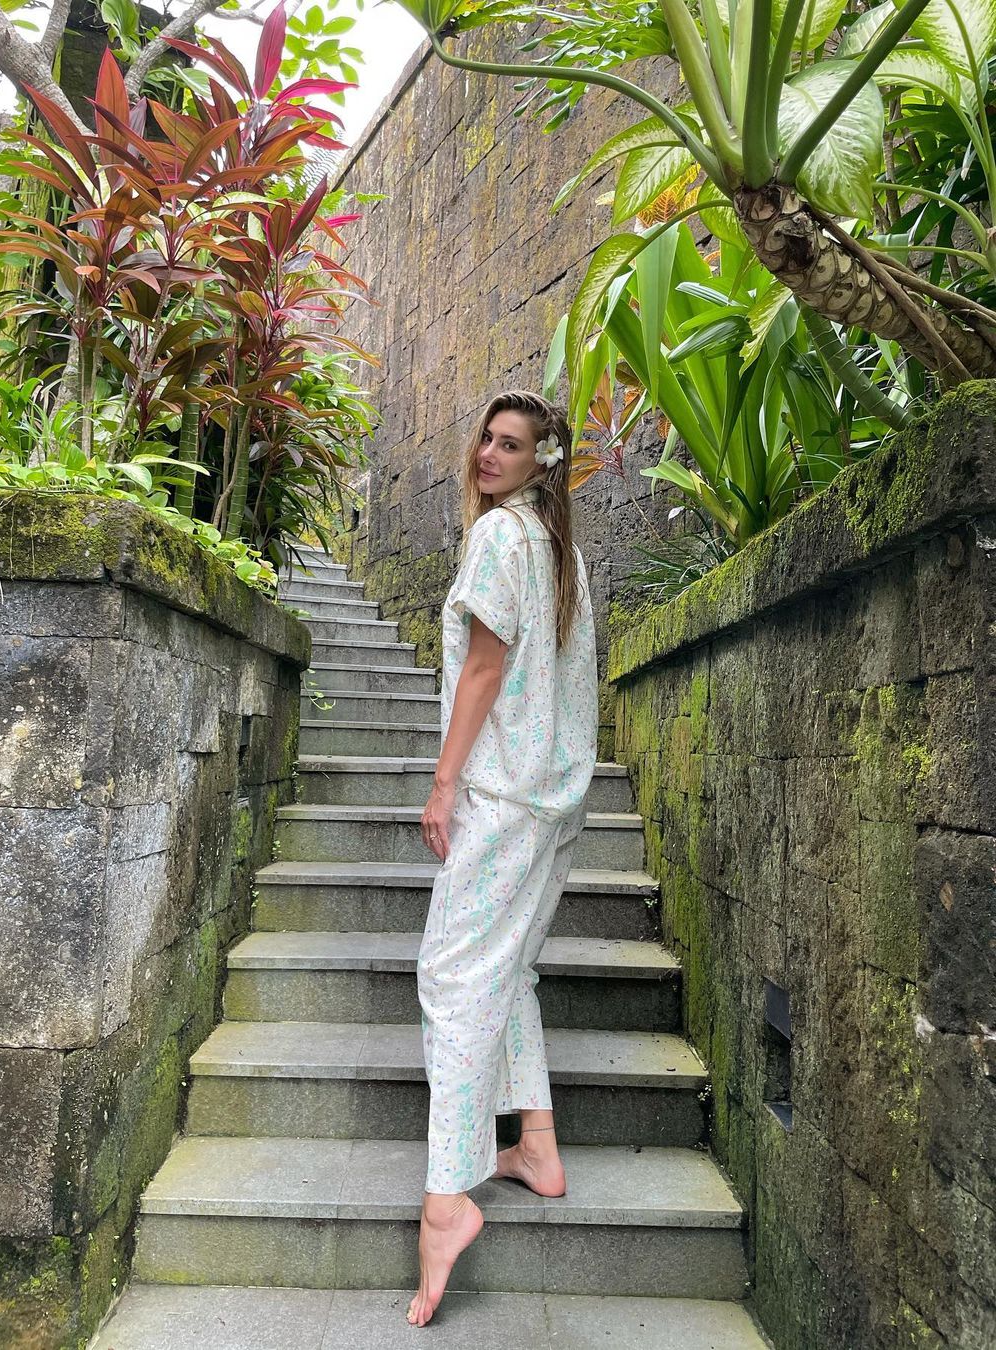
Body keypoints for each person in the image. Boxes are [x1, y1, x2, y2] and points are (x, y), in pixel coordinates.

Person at [406, 390, 599, 1328]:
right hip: (555, 796)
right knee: (507, 967)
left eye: (510, 444)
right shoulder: (558, 550)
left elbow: (485, 667)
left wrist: (444, 783)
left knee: (451, 977)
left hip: (502, 797)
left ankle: (448, 1198)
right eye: (486, 436)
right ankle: (537, 1145)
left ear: (539, 463)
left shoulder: (497, 539)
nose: (488, 453)